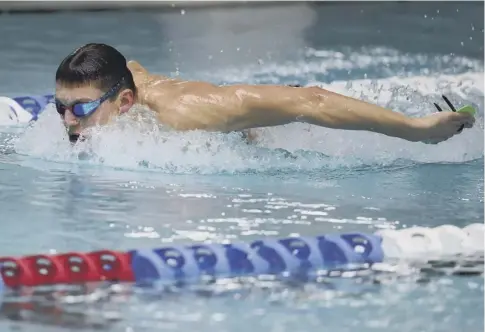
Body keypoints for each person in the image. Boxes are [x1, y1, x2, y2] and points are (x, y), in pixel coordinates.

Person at [54, 43, 475, 144]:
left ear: (124, 102)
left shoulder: (187, 114)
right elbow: (129, 67)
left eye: (81, 109)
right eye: (61, 108)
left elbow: (309, 101)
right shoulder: (119, 91)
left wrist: (417, 130)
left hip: (279, 110)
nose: (69, 122)